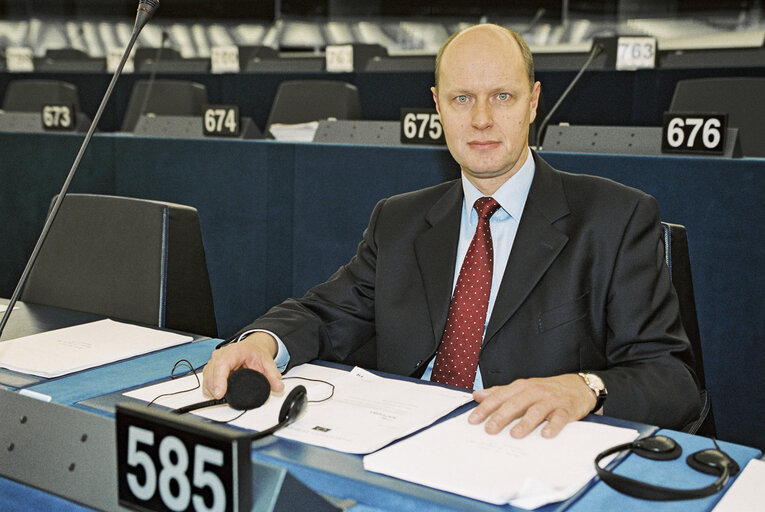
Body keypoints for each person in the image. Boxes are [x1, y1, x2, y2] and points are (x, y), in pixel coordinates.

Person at [203, 23, 701, 438]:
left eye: (502, 96)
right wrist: (262, 341)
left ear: (533, 102)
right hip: (400, 443)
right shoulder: (397, 220)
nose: (482, 120)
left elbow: (673, 381)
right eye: (463, 99)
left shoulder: (615, 218)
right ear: (438, 107)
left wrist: (586, 387)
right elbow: (324, 313)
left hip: (527, 453)